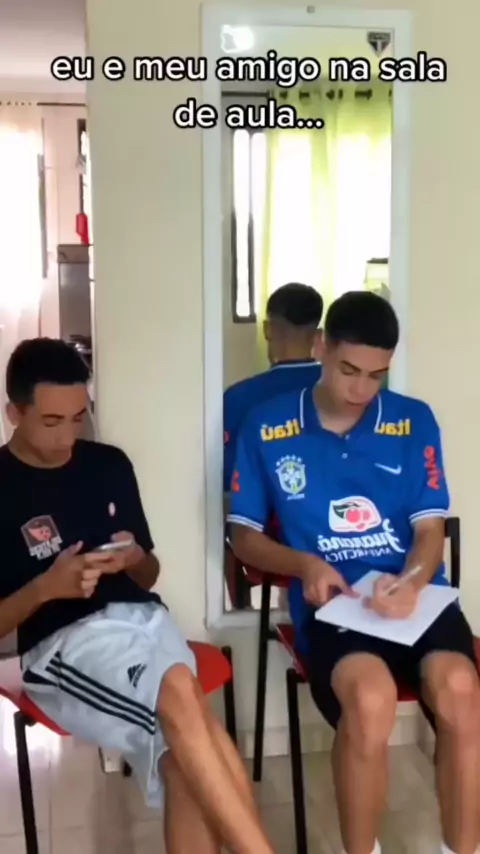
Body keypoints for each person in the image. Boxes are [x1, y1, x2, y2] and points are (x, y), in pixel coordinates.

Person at [0, 338, 277, 854]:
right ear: (14, 411)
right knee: (181, 697)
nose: (67, 437)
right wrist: (47, 587)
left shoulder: (108, 464)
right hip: (64, 645)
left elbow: (148, 575)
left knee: (185, 760)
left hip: (146, 621)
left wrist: (132, 558)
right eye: (51, 422)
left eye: (78, 418)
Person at [229, 291, 480, 854]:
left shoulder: (413, 421)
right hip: (335, 604)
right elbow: (244, 537)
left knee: (462, 691)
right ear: (321, 346)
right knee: (370, 699)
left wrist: (412, 582)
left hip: (414, 598)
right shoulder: (267, 425)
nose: (362, 389)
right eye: (348, 370)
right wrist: (303, 564)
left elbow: (429, 531)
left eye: (376, 375)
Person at [223, 282, 323, 492]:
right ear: (318, 335)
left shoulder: (238, 398)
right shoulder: (336, 391)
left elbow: (228, 476)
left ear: (267, 329)